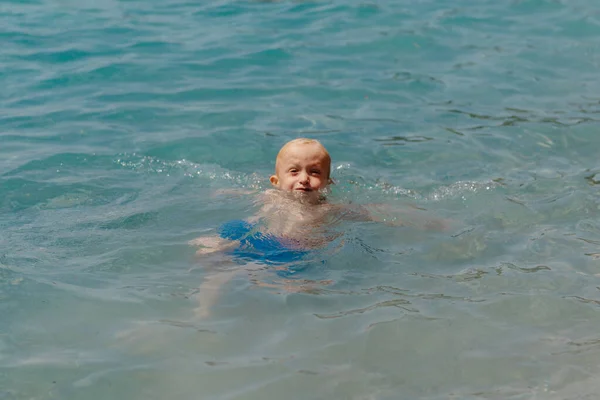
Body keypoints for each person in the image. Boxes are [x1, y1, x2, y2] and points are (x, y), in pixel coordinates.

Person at [189, 138, 447, 317]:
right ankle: (203, 308)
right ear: (276, 181)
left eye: (314, 172)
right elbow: (242, 193)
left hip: (290, 248)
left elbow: (375, 213)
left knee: (272, 280)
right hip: (251, 232)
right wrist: (222, 191)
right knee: (213, 253)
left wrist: (426, 221)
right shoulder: (270, 196)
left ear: (327, 182)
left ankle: (230, 308)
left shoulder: (328, 208)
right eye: (294, 171)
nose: (303, 179)